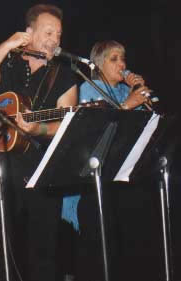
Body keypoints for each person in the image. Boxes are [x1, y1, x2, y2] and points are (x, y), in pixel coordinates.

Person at [0, 4, 77, 281]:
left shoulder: (63, 74)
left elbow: (66, 123)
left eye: (58, 34)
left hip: (43, 168)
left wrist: (38, 127)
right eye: (48, 32)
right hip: (4, 163)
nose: (54, 39)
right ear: (29, 32)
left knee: (43, 250)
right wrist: (8, 45)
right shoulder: (11, 63)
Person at [74, 40, 162, 281]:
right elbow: (93, 134)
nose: (122, 64)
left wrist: (141, 92)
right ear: (98, 64)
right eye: (114, 59)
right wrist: (126, 107)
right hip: (97, 177)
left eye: (123, 59)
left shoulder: (125, 91)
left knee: (136, 242)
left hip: (128, 175)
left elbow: (147, 128)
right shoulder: (87, 89)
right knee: (101, 247)